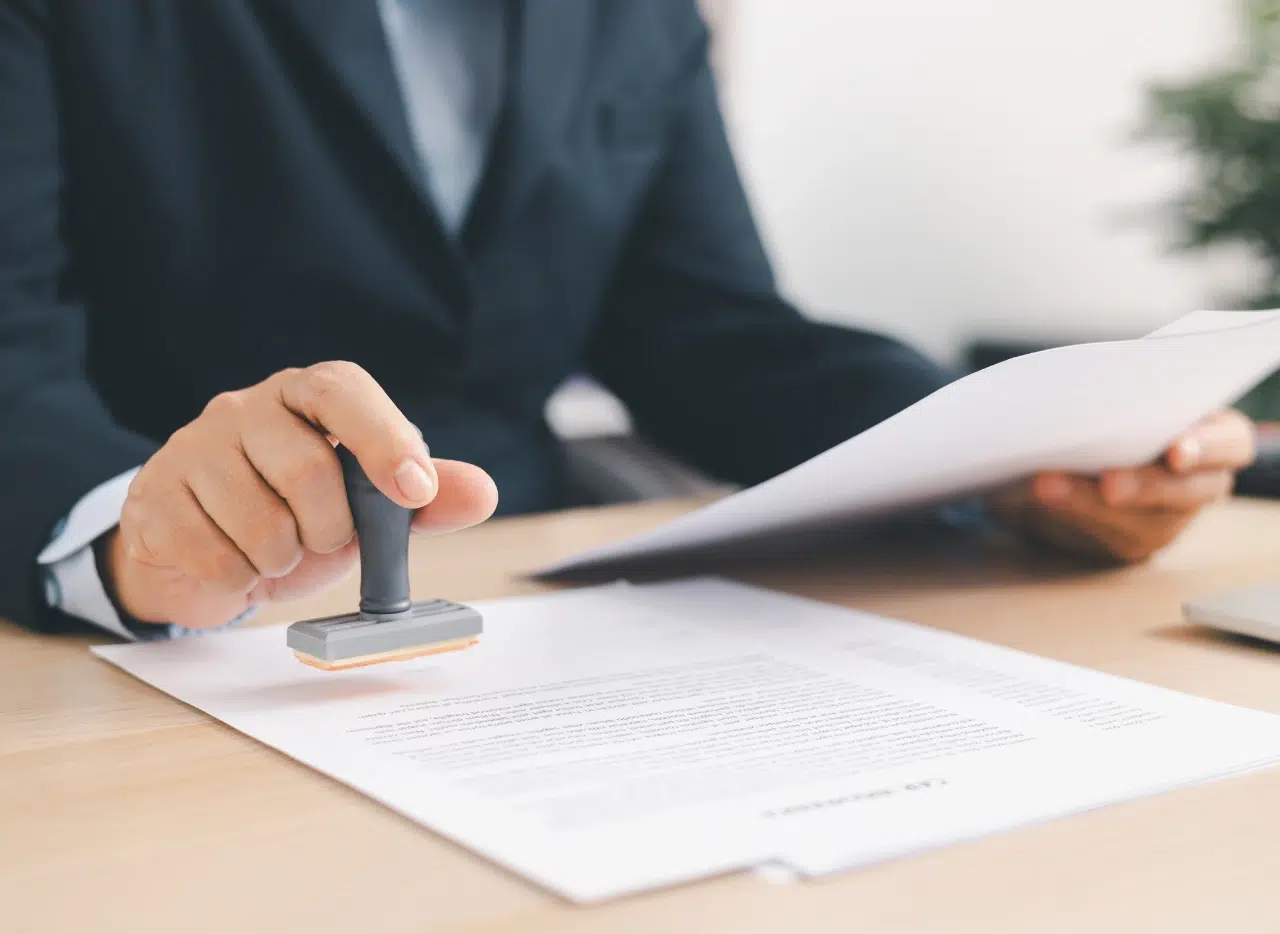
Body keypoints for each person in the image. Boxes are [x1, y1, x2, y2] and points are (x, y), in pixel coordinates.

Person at [0, 0, 1255, 638]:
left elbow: (705, 330)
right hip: (160, 637)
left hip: (536, 617)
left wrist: (1018, 452)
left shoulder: (639, 13)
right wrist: (121, 537)